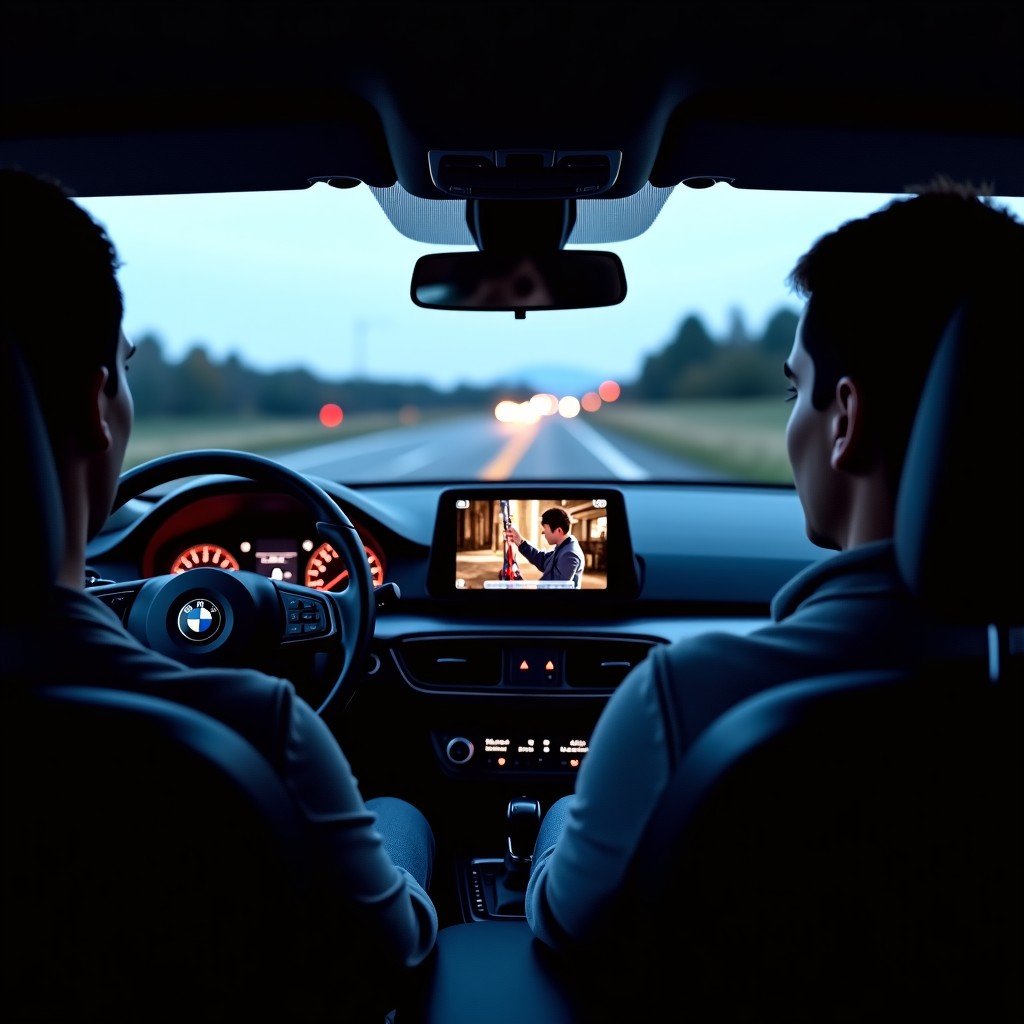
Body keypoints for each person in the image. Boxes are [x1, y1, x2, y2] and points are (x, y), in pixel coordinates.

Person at [523, 180, 1024, 951]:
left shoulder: (686, 695)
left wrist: (558, 821)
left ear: (845, 421)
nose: (792, 419)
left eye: (796, 389)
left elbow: (567, 924)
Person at [0, 169, 438, 985]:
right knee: (401, 812)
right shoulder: (259, 730)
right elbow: (394, 949)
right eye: (125, 366)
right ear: (99, 401)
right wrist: (400, 822)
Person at [505, 506, 584, 587]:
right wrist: (520, 541)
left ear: (559, 530)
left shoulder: (570, 554)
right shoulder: (564, 547)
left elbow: (556, 587)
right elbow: (542, 560)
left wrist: (524, 585)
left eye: (545, 529)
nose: (543, 533)